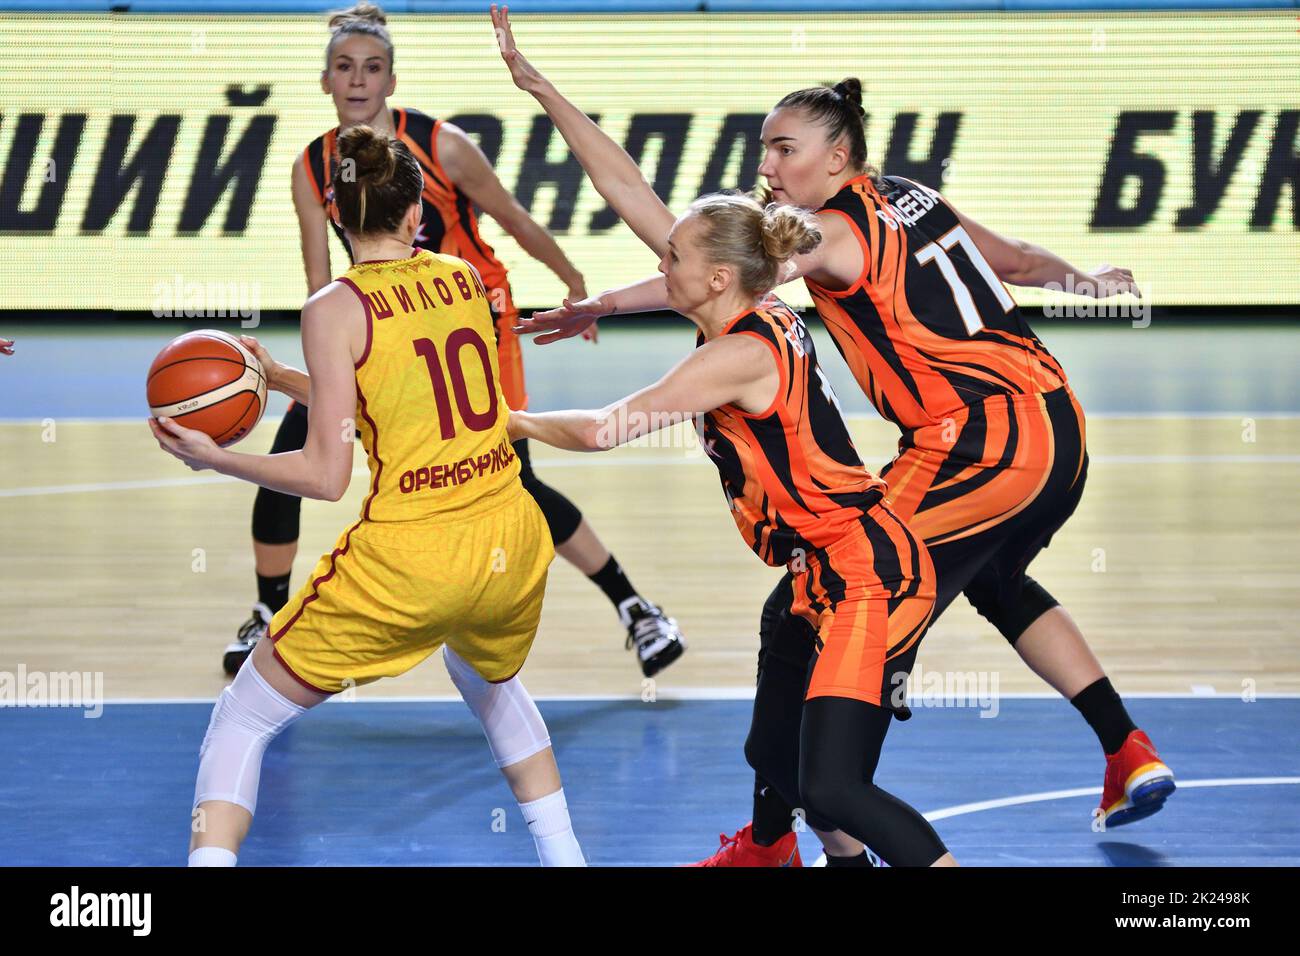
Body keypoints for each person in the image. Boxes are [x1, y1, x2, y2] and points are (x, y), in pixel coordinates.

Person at [521, 70, 1175, 862]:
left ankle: (802, 826)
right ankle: (1124, 746)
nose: (767, 167)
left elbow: (703, 258)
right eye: (765, 151)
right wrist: (1091, 284)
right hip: (1055, 427)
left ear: (837, 158)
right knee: (990, 579)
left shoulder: (833, 234)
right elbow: (1023, 260)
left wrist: (601, 301)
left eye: (783, 149)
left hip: (979, 442)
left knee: (829, 596)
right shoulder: (914, 198)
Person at [493, 5, 955, 866]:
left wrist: (497, 419)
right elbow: (626, 187)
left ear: (710, 277)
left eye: (670, 260)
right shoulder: (744, 299)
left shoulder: (738, 353)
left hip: (865, 573)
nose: (656, 265)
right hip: (815, 571)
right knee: (773, 759)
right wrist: (542, 89)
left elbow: (603, 430)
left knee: (834, 788)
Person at [151, 124, 584, 867]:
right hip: (508, 541)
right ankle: (566, 857)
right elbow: (395, 388)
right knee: (489, 681)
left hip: (413, 558)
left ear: (332, 210)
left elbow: (324, 477)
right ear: (418, 212)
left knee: (243, 718)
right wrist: (283, 376)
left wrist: (221, 458)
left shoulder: (332, 305)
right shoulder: (461, 277)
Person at [228, 1, 684, 680]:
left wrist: (572, 279)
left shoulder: (441, 146)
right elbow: (321, 278)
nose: (357, 81)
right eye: (345, 68)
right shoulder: (312, 164)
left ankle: (634, 605)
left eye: (372, 68)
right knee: (292, 446)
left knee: (514, 475)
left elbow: (514, 218)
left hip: (467, 312)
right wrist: (322, 364)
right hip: (376, 317)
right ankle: (269, 611)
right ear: (325, 80)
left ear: (391, 79)